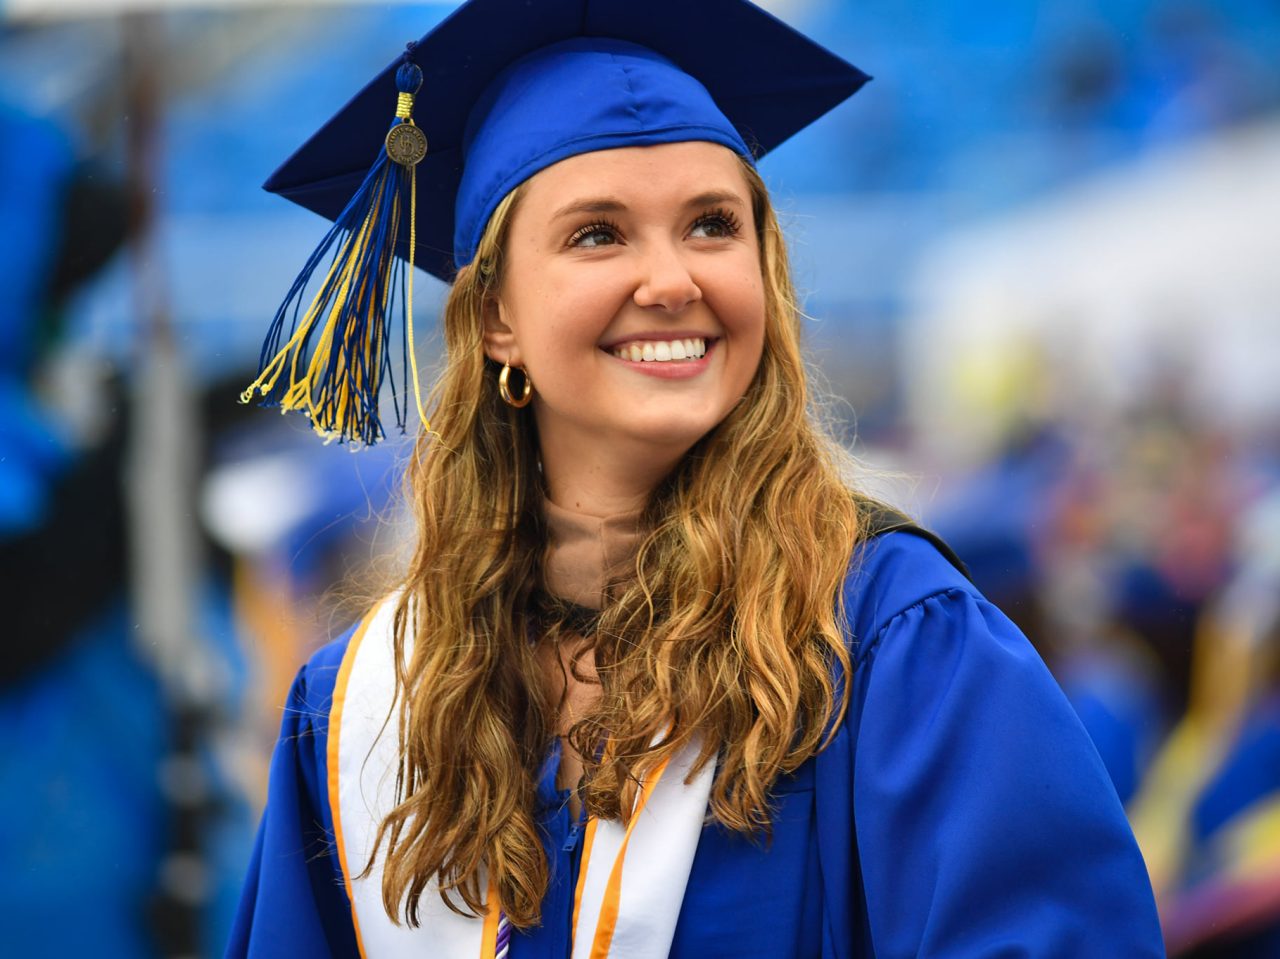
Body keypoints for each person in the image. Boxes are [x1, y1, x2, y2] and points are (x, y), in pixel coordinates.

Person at [228, 1, 1166, 955]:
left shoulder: (892, 642)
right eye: (599, 234)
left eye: (713, 225)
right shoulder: (366, 702)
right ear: (497, 316)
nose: (673, 279)